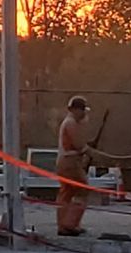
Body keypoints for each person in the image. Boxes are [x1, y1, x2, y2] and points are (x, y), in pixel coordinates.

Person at [55, 95, 98, 237]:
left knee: (66, 193)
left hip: (64, 161)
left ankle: (63, 225)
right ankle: (71, 224)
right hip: (70, 161)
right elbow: (78, 144)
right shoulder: (71, 123)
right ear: (74, 109)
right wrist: (90, 151)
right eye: (82, 110)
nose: (84, 113)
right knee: (82, 190)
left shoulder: (68, 122)